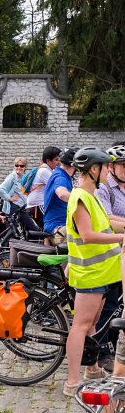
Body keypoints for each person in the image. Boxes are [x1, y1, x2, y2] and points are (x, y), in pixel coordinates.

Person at [63, 147, 123, 397]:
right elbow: (87, 235)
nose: (109, 171)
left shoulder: (92, 195)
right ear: (94, 169)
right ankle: (72, 382)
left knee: (92, 325)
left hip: (101, 272)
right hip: (90, 273)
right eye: (106, 167)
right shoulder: (80, 198)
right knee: (80, 325)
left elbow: (107, 223)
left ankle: (93, 370)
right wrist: (122, 238)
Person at [94, 144, 125, 372]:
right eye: (124, 166)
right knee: (109, 305)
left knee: (119, 305)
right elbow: (105, 220)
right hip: (109, 254)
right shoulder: (104, 189)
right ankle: (102, 352)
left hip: (122, 254)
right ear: (111, 167)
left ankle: (115, 347)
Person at [43, 147, 78, 245]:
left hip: (58, 226)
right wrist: (83, 200)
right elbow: (62, 193)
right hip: (59, 228)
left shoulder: (61, 175)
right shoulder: (60, 177)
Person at [0, 156, 37, 232]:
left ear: (25, 167)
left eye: (21, 166)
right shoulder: (12, 177)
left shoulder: (24, 178)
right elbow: (0, 190)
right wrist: (9, 198)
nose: (19, 168)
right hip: (13, 207)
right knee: (11, 232)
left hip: (21, 208)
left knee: (32, 229)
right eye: (16, 165)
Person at [26, 146, 61, 229]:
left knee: (47, 228)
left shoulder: (48, 170)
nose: (59, 162)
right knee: (50, 226)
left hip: (37, 205)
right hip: (38, 205)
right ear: (48, 161)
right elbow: (57, 186)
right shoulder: (44, 171)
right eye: (56, 160)